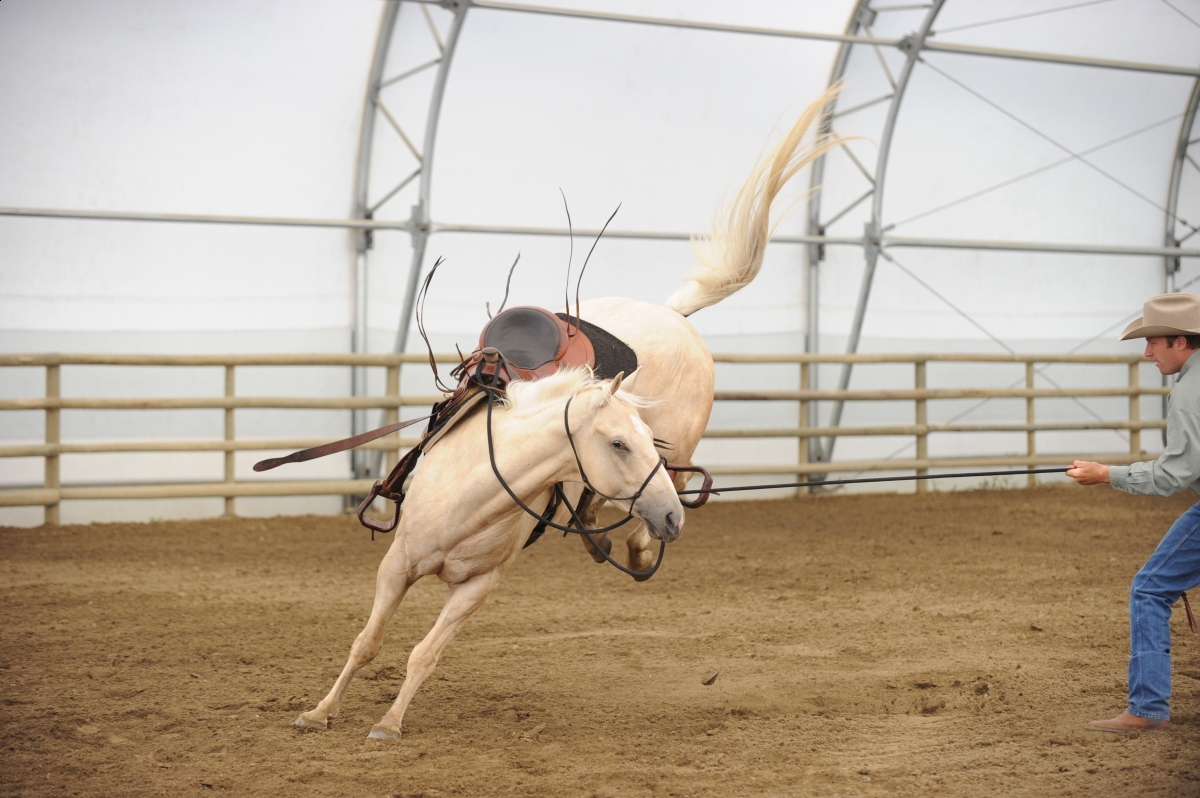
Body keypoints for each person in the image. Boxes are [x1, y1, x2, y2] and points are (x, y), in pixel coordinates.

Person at [1068, 292, 1200, 733]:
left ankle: (1146, 708)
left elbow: (1174, 474)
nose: (1147, 353)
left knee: (1149, 589)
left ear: (1181, 342)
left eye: (1154, 343)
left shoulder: (1186, 394)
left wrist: (1107, 474)